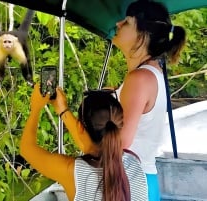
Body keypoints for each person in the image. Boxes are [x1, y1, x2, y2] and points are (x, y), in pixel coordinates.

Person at [54, 1, 186, 200]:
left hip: (131, 184)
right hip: (138, 180)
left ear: (143, 34)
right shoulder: (149, 74)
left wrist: (63, 111)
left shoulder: (139, 79)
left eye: (126, 23)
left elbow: (117, 144)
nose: (117, 25)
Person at [20, 83, 148, 201]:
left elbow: (27, 149)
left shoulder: (73, 172)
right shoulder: (134, 164)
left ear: (80, 127)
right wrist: (63, 111)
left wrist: (35, 108)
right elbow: (91, 146)